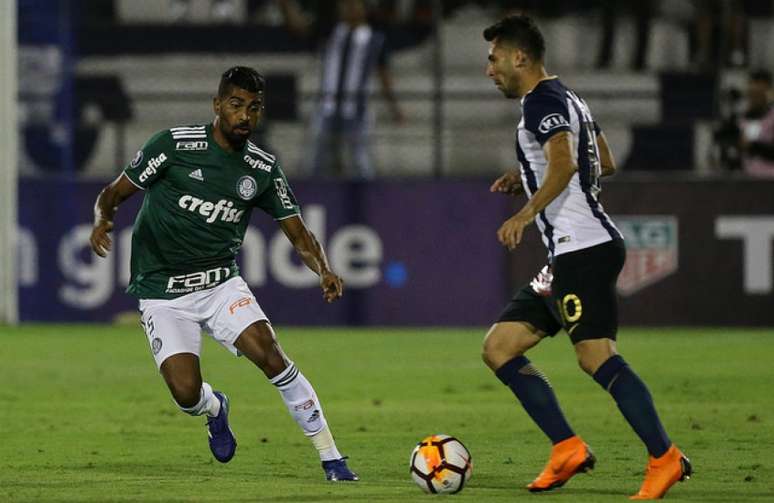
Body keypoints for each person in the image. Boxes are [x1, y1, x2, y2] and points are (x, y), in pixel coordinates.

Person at [89, 66, 358, 482]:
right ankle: (214, 408)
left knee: (272, 356)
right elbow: (113, 193)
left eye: (254, 108)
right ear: (217, 106)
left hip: (219, 284)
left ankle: (332, 458)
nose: (245, 116)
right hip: (163, 292)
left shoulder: (263, 168)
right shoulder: (173, 146)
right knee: (185, 394)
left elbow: (299, 233)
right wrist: (103, 219)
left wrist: (324, 269)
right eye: (236, 105)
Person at [481, 15, 691, 499]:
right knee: (500, 347)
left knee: (596, 356)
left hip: (585, 249)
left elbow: (566, 161)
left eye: (494, 60)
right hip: (572, 253)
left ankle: (665, 457)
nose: (489, 70)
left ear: (519, 57)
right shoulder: (568, 97)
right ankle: (567, 448)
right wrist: (527, 175)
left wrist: (527, 211)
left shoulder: (541, 102)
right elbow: (603, 160)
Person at [295, 0, 404, 178]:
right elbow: (299, 30)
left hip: (357, 108)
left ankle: (367, 201)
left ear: (364, 8)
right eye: (345, 4)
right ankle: (313, 199)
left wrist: (395, 108)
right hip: (326, 105)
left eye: (354, 4)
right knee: (315, 159)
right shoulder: (330, 33)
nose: (349, 8)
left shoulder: (374, 39)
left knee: (360, 160)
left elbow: (384, 76)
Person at [740, 69, 774, 177]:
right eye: (752, 95)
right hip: (749, 179)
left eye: (759, 94)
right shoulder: (743, 118)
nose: (755, 98)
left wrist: (753, 146)